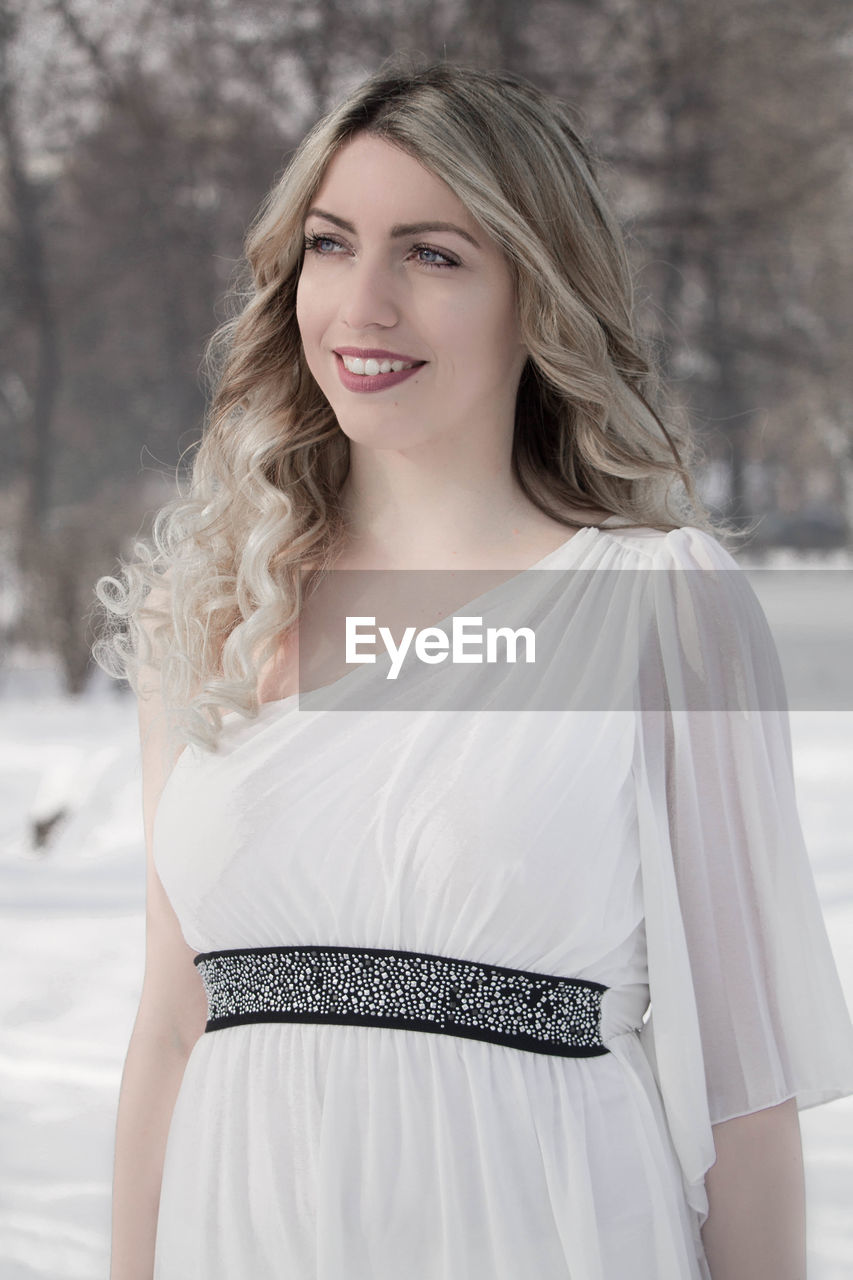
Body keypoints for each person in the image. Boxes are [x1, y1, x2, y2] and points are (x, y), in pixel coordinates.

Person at [95, 54, 853, 1280]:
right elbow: (172, 1034)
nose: (363, 305)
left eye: (432, 254)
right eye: (332, 245)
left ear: (538, 295)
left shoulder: (659, 604)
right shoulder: (211, 612)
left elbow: (739, 1096)